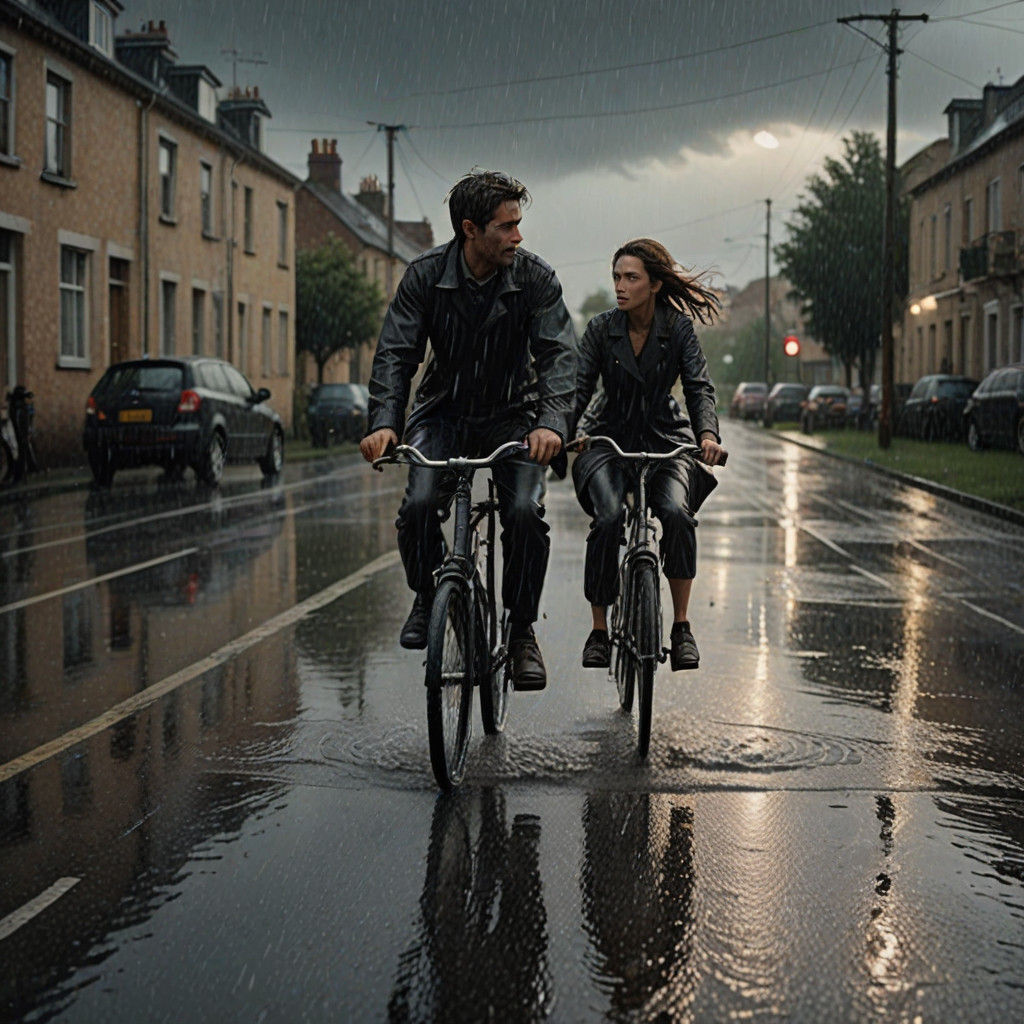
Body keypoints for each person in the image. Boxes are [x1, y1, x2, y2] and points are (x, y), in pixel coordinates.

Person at [360, 170, 577, 691]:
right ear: (469, 229)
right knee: (417, 508)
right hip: (444, 411)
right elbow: (396, 353)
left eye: (519, 225)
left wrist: (551, 423)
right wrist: (385, 422)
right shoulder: (424, 275)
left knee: (524, 513)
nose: (518, 237)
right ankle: (428, 594)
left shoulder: (535, 278)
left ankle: (522, 631)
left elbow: (559, 356)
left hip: (516, 414)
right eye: (506, 227)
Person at [571, 238, 725, 672]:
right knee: (606, 518)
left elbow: (698, 387)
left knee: (676, 513)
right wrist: (562, 432)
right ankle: (599, 631)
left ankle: (681, 627)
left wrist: (707, 435)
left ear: (654, 284)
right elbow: (579, 389)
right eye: (616, 277)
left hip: (666, 439)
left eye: (631, 277)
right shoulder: (602, 329)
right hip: (607, 439)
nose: (620, 285)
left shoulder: (676, 330)